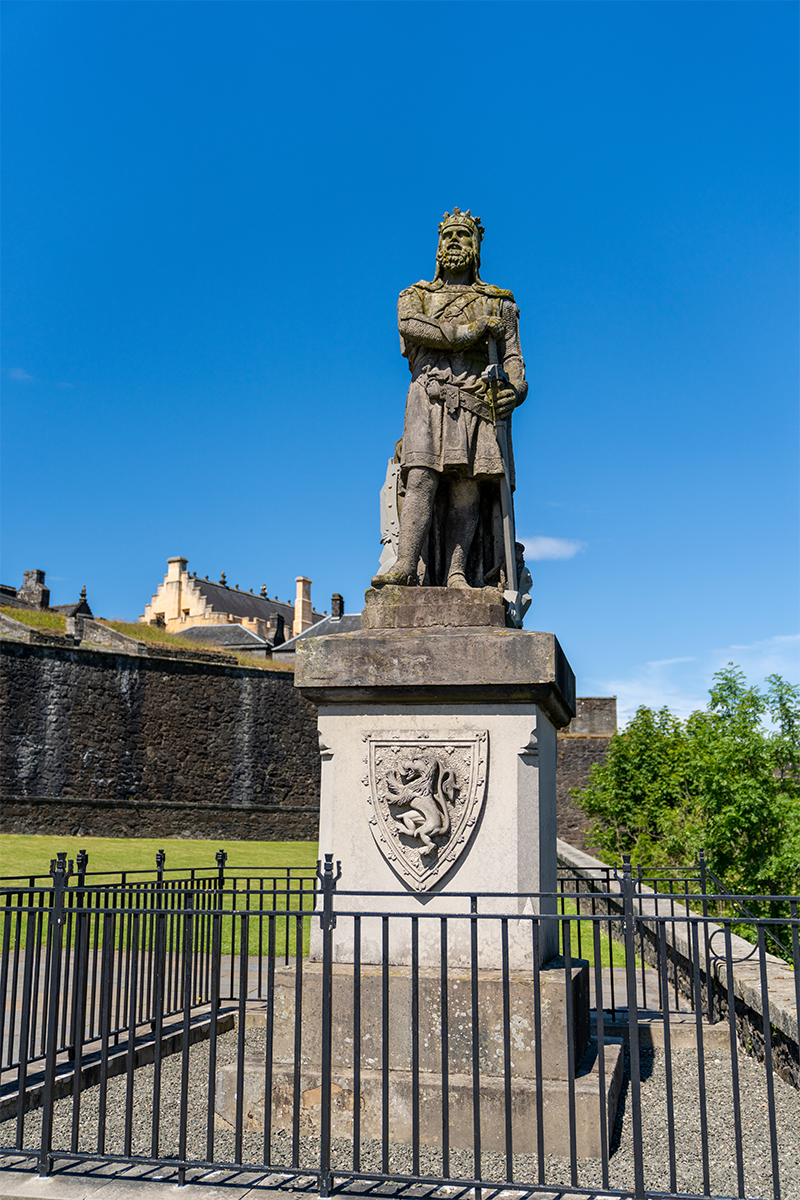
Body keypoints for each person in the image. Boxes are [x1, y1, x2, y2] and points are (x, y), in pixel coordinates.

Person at [371, 208, 528, 590]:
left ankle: (458, 571)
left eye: (463, 236)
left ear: (476, 248)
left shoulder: (500, 303)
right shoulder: (416, 296)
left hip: (476, 401)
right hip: (429, 396)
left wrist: (517, 390)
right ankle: (407, 563)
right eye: (448, 236)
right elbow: (411, 327)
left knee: (466, 488)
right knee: (421, 478)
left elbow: (514, 359)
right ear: (438, 245)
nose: (454, 242)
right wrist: (470, 331)